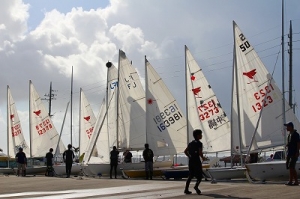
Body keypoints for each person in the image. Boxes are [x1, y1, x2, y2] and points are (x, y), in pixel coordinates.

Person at [184, 129, 204, 195]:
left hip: (191, 160)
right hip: (196, 161)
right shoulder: (199, 143)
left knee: (190, 175)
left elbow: (185, 151)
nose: (201, 135)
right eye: (201, 134)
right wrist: (203, 158)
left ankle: (186, 189)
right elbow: (200, 152)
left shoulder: (191, 143)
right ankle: (196, 187)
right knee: (200, 176)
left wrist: (189, 156)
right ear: (198, 136)